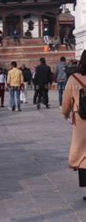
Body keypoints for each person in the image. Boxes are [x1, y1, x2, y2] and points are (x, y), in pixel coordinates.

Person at [62, 50, 86, 201]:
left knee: (83, 152)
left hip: (81, 119)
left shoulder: (74, 79)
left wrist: (65, 113)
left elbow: (66, 101)